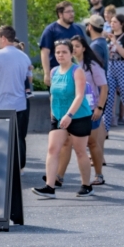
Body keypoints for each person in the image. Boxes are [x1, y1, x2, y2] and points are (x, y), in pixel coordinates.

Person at [34, 40, 94, 199]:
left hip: (78, 116)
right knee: (53, 150)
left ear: (71, 53)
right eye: (58, 52)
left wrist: (69, 115)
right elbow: (53, 94)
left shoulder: (77, 71)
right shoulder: (54, 71)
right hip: (58, 117)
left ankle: (86, 185)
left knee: (80, 152)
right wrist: (53, 112)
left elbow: (80, 96)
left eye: (64, 52)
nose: (60, 55)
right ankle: (50, 186)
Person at [0, 25, 33, 169]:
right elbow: (29, 80)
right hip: (20, 103)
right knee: (19, 138)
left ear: (3, 38)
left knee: (1, 137)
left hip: (1, 103)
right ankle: (19, 167)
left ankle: (2, 167)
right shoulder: (24, 56)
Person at [70, 35, 112, 182]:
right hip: (73, 111)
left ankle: (99, 175)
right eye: (72, 46)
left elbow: (104, 87)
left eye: (77, 46)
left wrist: (99, 108)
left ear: (84, 48)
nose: (74, 49)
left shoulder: (92, 65)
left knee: (93, 143)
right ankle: (59, 177)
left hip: (91, 109)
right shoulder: (69, 65)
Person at [39, 1, 87, 83]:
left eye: (72, 11)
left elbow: (84, 50)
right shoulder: (50, 30)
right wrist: (46, 74)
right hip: (58, 74)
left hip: (76, 72)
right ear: (60, 14)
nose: (72, 14)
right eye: (68, 12)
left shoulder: (78, 29)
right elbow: (44, 53)